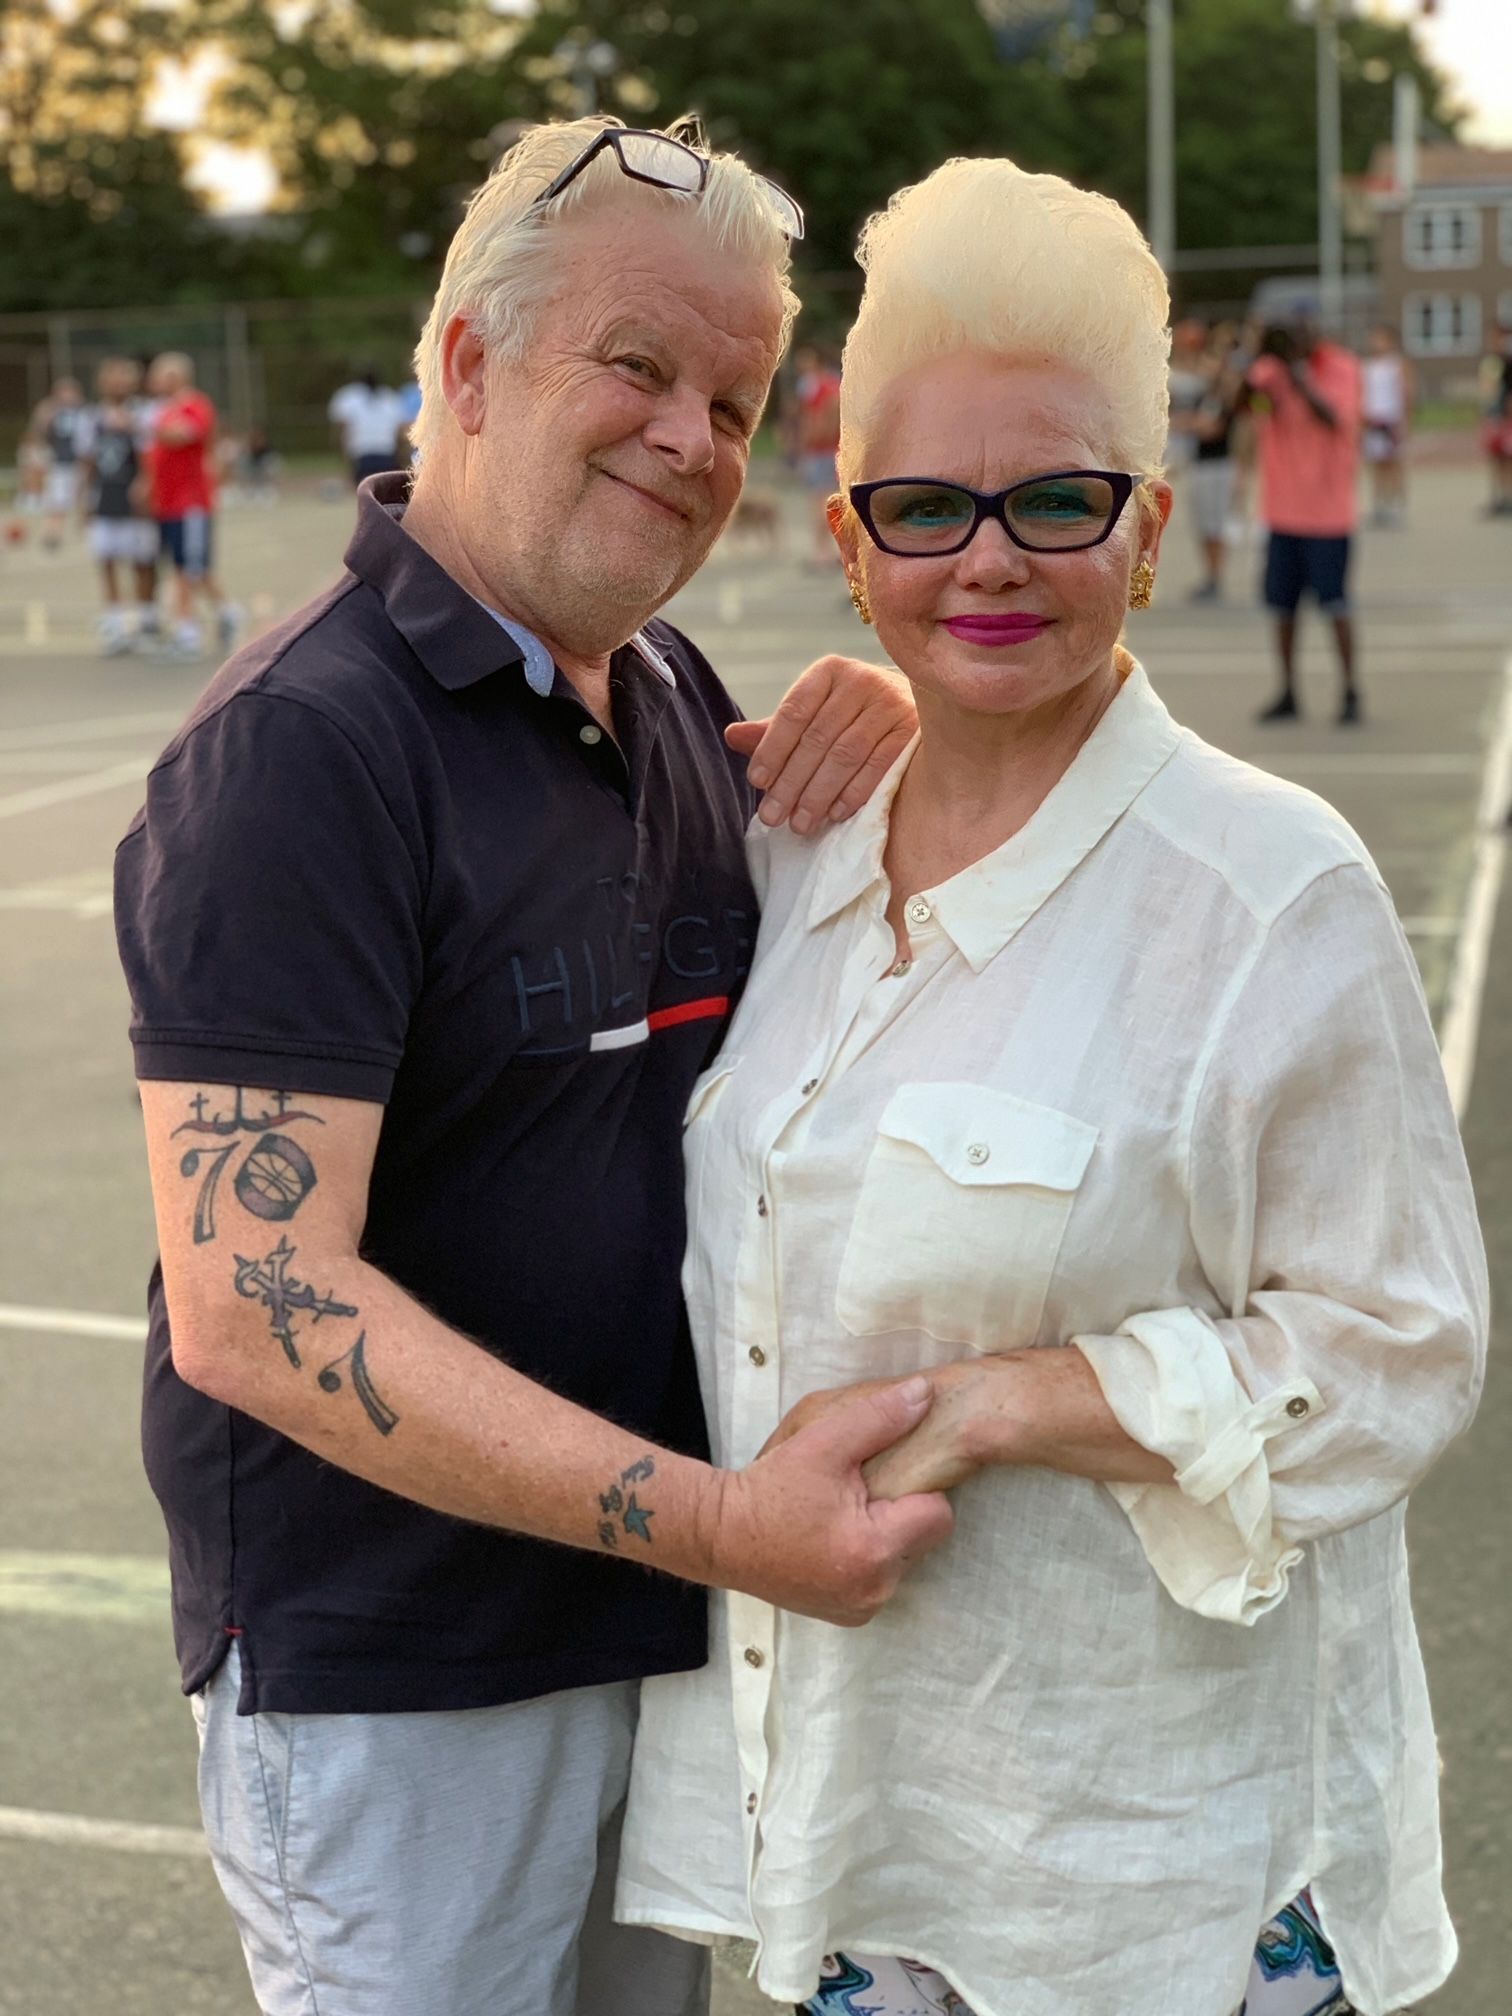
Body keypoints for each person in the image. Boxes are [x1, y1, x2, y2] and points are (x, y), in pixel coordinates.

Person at [618, 155, 1488, 2016]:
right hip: (868, 1851)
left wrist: (1014, 1397)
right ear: (846, 544)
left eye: (1054, 502)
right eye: (922, 510)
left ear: (1150, 529)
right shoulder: (788, 867)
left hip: (1159, 1887)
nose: (989, 560)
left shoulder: (1271, 892)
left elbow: (1399, 1346)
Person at [113, 114, 947, 2016]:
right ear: (471, 366)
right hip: (400, 1681)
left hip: (639, 1640)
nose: (693, 439)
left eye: (735, 401)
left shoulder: (659, 693)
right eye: (639, 368)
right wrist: (724, 1519)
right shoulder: (304, 749)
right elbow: (259, 1296)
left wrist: (901, 724)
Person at [1240, 316, 1363, 725]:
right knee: (1282, 610)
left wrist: (1298, 375)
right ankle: (1288, 691)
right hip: (1282, 514)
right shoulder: (1272, 371)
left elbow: (1333, 418)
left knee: (1335, 606)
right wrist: (1256, 360)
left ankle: (1350, 690)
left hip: (1328, 517)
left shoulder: (1341, 367)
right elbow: (1244, 404)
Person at [144, 352, 240, 659]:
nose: (155, 380)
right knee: (190, 567)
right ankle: (228, 613)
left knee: (188, 568)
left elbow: (184, 434)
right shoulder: (163, 410)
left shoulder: (194, 404)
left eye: (162, 374)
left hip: (191, 502)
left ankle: (187, 631)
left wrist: (149, 426)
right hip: (169, 502)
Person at [77, 358, 160, 655]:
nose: (119, 384)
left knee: (143, 562)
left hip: (136, 500)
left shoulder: (145, 414)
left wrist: (148, 486)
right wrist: (83, 499)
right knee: (107, 560)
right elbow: (86, 462)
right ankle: (115, 625)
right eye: (113, 378)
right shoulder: (91, 418)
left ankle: (147, 622)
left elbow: (153, 455)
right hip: (106, 497)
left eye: (124, 378)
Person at [1186, 331, 1243, 601]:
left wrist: (1193, 425)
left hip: (1219, 465)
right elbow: (1193, 422)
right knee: (1203, 523)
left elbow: (1212, 430)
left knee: (1216, 522)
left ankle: (1216, 574)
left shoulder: (1226, 398)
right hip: (1201, 464)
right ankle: (1209, 573)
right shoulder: (1205, 395)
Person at [793, 342, 843, 566]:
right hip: (835, 450)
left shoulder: (815, 388)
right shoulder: (835, 385)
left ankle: (821, 552)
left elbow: (813, 421)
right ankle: (834, 551)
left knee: (820, 502)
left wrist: (805, 444)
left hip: (821, 451)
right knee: (835, 502)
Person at [1361, 324, 1413, 528]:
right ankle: (1379, 505)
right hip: (1373, 420)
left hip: (1391, 420)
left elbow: (1407, 394)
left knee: (1394, 464)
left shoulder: (1398, 365)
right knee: (1377, 464)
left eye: (1380, 339)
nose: (1376, 343)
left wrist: (1405, 421)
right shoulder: (1367, 365)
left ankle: (1397, 505)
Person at [29, 376, 88, 549]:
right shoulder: (52, 411)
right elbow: (39, 431)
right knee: (57, 501)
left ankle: (86, 532)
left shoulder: (84, 412)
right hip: (61, 462)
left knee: (85, 499)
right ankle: (52, 533)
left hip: (81, 462)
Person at [328, 367, 407, 484]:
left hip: (362, 458)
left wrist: (344, 457)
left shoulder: (348, 397)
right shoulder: (391, 397)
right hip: (387, 457)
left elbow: (342, 430)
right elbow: (400, 431)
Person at [1479, 324, 1512, 517]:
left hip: (1506, 418)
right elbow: (1486, 389)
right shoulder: (1490, 361)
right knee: (1495, 458)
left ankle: (1508, 497)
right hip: (1492, 416)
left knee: (1507, 459)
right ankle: (1497, 497)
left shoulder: (1508, 361)